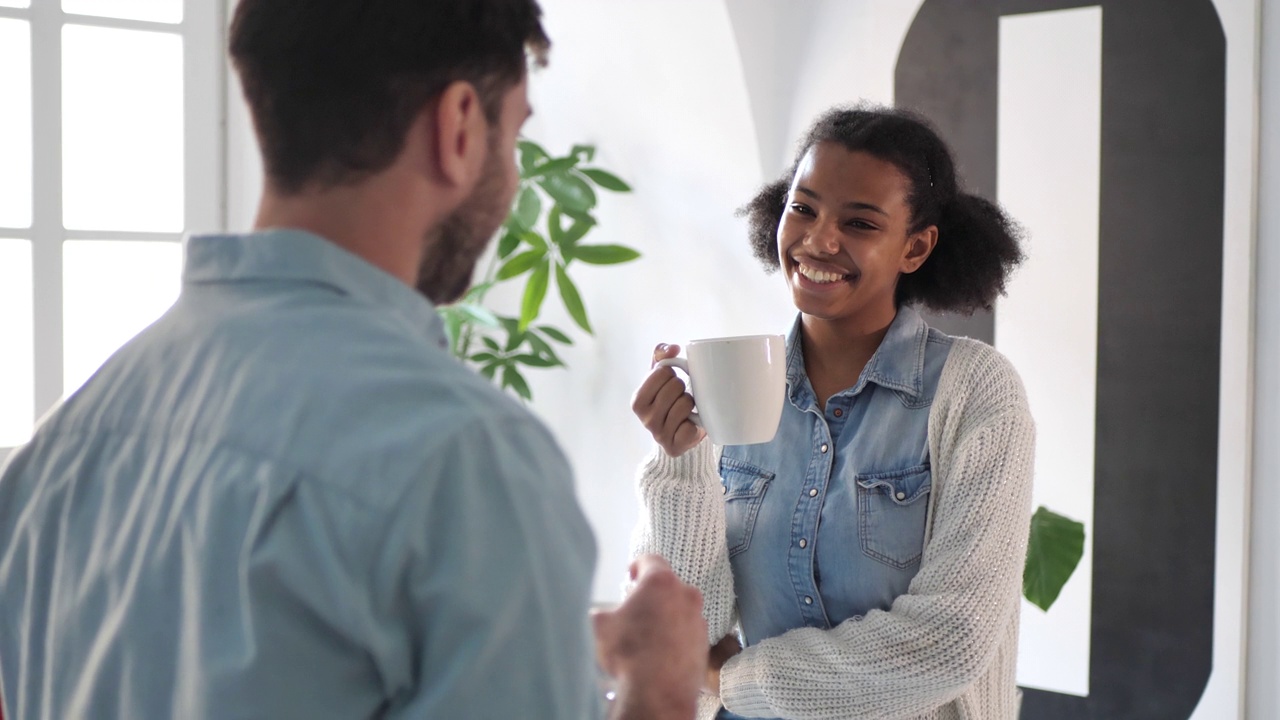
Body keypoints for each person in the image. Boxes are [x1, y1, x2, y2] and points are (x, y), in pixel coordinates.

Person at [0, 1, 708, 718]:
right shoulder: (469, 462)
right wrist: (660, 684)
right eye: (515, 136)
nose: (517, 178)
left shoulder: (58, 450)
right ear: (459, 125)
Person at [630, 105, 1036, 719]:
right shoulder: (731, 386)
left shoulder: (976, 392)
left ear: (916, 247)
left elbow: (951, 643)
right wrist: (680, 465)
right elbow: (689, 629)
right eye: (803, 208)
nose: (818, 239)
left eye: (861, 223)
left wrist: (738, 678)